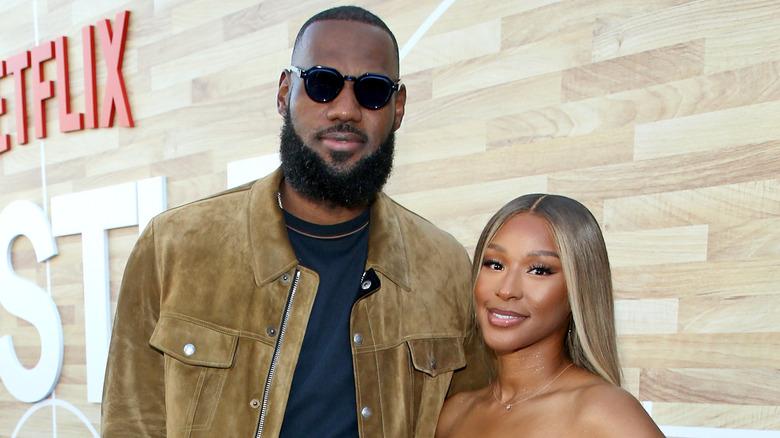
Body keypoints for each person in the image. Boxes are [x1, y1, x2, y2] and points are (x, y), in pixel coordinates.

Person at [101, 6, 487, 438]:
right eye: (323, 83)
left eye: (372, 92)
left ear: (397, 108)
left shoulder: (445, 268)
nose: (345, 109)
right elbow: (130, 423)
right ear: (285, 92)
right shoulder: (173, 246)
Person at [436, 194, 665, 438]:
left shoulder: (605, 412)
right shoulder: (454, 414)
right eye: (495, 264)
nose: (506, 289)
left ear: (578, 290)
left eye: (539, 270)